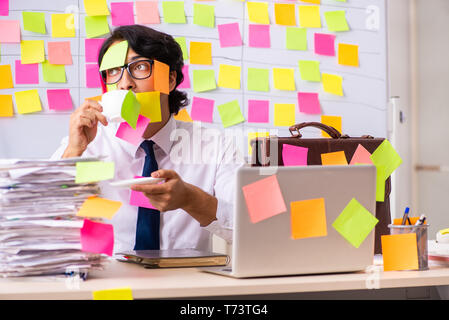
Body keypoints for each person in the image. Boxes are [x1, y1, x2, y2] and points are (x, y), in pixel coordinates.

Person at [51, 25, 244, 254]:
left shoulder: (214, 146)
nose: (125, 83)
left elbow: (252, 228)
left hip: (184, 283)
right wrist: (73, 152)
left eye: (139, 67)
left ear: (171, 80)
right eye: (113, 71)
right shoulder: (88, 144)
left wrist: (191, 199)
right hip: (108, 281)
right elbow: (39, 219)